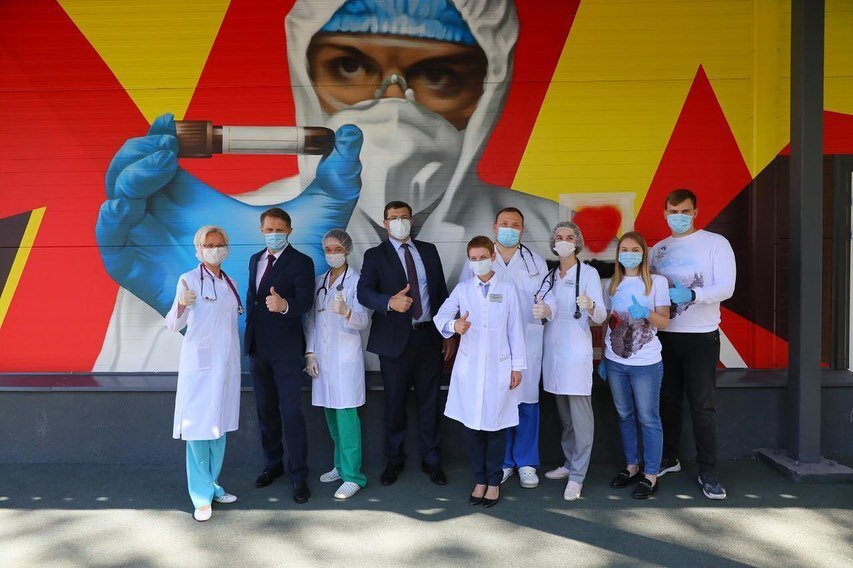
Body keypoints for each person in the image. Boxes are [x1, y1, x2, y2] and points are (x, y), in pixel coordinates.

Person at [357, 200, 454, 486]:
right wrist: (389, 302)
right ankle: (394, 460)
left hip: (428, 338)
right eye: (393, 218)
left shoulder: (429, 250)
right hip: (393, 342)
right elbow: (364, 293)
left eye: (404, 217)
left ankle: (432, 460)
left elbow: (440, 293)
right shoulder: (375, 255)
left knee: (430, 402)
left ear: (412, 221)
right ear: (385, 223)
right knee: (395, 404)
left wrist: (447, 334)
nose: (399, 222)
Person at [650, 188, 736, 500]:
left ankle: (708, 470)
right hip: (665, 336)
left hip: (701, 336)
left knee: (702, 406)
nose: (679, 217)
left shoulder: (715, 243)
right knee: (667, 401)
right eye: (673, 212)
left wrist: (694, 295)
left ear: (695, 213)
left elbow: (727, 287)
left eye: (685, 211)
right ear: (665, 213)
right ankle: (670, 457)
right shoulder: (658, 250)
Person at [433, 236, 526, 508]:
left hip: (499, 367)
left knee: (495, 428)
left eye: (483, 257)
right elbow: (440, 317)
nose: (478, 262)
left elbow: (515, 330)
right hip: (470, 369)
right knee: (473, 428)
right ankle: (479, 480)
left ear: (493, 257)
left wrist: (517, 366)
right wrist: (454, 326)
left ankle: (494, 482)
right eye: (473, 259)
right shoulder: (463, 290)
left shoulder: (507, 290)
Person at [459, 207, 547, 489]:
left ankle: (527, 462)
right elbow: (463, 300)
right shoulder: (480, 258)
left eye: (516, 224)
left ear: (522, 229)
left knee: (527, 402)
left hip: (527, 341)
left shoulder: (535, 262)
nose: (510, 228)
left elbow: (547, 299)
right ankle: (504, 462)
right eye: (505, 223)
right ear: (495, 226)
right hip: (489, 347)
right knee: (497, 403)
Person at [164, 225, 241, 522]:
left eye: (220, 244)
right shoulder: (188, 279)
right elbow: (173, 324)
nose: (214, 249)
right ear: (198, 249)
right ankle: (200, 496)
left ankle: (213, 485)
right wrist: (182, 304)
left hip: (226, 366)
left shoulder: (231, 283)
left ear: (227, 248)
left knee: (218, 429)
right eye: (209, 245)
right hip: (200, 367)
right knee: (198, 430)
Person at [245, 207, 315, 504]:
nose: (273, 234)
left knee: (291, 414)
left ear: (289, 231)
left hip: (286, 351)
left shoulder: (301, 261)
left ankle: (299, 475)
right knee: (266, 411)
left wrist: (285, 305)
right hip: (258, 348)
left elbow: (306, 301)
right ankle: (272, 465)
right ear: (261, 231)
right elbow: (253, 299)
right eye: (268, 229)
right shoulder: (255, 259)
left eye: (279, 229)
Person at [539, 221, 606, 501]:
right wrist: (544, 309)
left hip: (576, 355)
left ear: (577, 242)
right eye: (559, 237)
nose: (563, 241)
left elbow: (601, 316)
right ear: (553, 243)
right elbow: (548, 306)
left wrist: (591, 306)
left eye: (569, 237)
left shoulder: (588, 273)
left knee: (581, 420)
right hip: (554, 355)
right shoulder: (550, 275)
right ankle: (568, 463)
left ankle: (578, 476)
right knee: (565, 417)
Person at [601, 232, 670, 499]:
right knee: (624, 415)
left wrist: (647, 313)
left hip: (646, 364)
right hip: (615, 362)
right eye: (624, 250)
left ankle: (650, 474)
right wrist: (604, 357)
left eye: (634, 250)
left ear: (643, 253)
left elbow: (664, 321)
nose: (629, 254)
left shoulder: (656, 283)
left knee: (649, 418)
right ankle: (632, 467)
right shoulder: (612, 284)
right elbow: (607, 322)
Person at [304, 229, 370, 499]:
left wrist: (347, 312)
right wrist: (310, 353)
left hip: (345, 360)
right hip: (322, 359)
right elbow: (311, 320)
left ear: (347, 250)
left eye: (337, 249)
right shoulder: (319, 281)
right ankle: (340, 466)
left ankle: (354, 476)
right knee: (331, 415)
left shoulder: (357, 281)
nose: (332, 254)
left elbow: (363, 321)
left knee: (346, 419)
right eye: (328, 249)